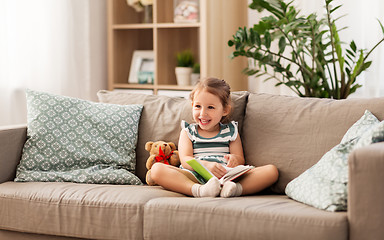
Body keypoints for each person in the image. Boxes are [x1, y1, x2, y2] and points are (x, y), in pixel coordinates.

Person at [151, 77, 279, 197]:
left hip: (227, 176)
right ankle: (200, 191)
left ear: (225, 110)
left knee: (271, 171)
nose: (203, 113)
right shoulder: (188, 131)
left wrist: (234, 160)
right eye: (198, 106)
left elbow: (240, 159)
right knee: (156, 169)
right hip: (195, 175)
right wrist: (205, 165)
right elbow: (185, 160)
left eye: (210, 107)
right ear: (192, 106)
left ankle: (233, 190)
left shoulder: (230, 131)